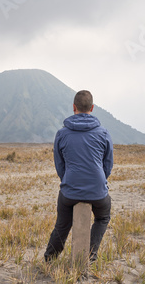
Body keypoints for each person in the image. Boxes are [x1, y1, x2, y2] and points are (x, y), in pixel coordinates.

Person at [44, 90, 113, 263]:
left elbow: (60, 165)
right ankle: (90, 255)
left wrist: (68, 181)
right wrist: (98, 182)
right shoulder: (103, 133)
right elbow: (108, 164)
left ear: (73, 107)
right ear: (92, 108)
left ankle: (50, 259)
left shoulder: (62, 134)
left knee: (63, 223)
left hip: (70, 190)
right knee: (103, 217)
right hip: (97, 191)